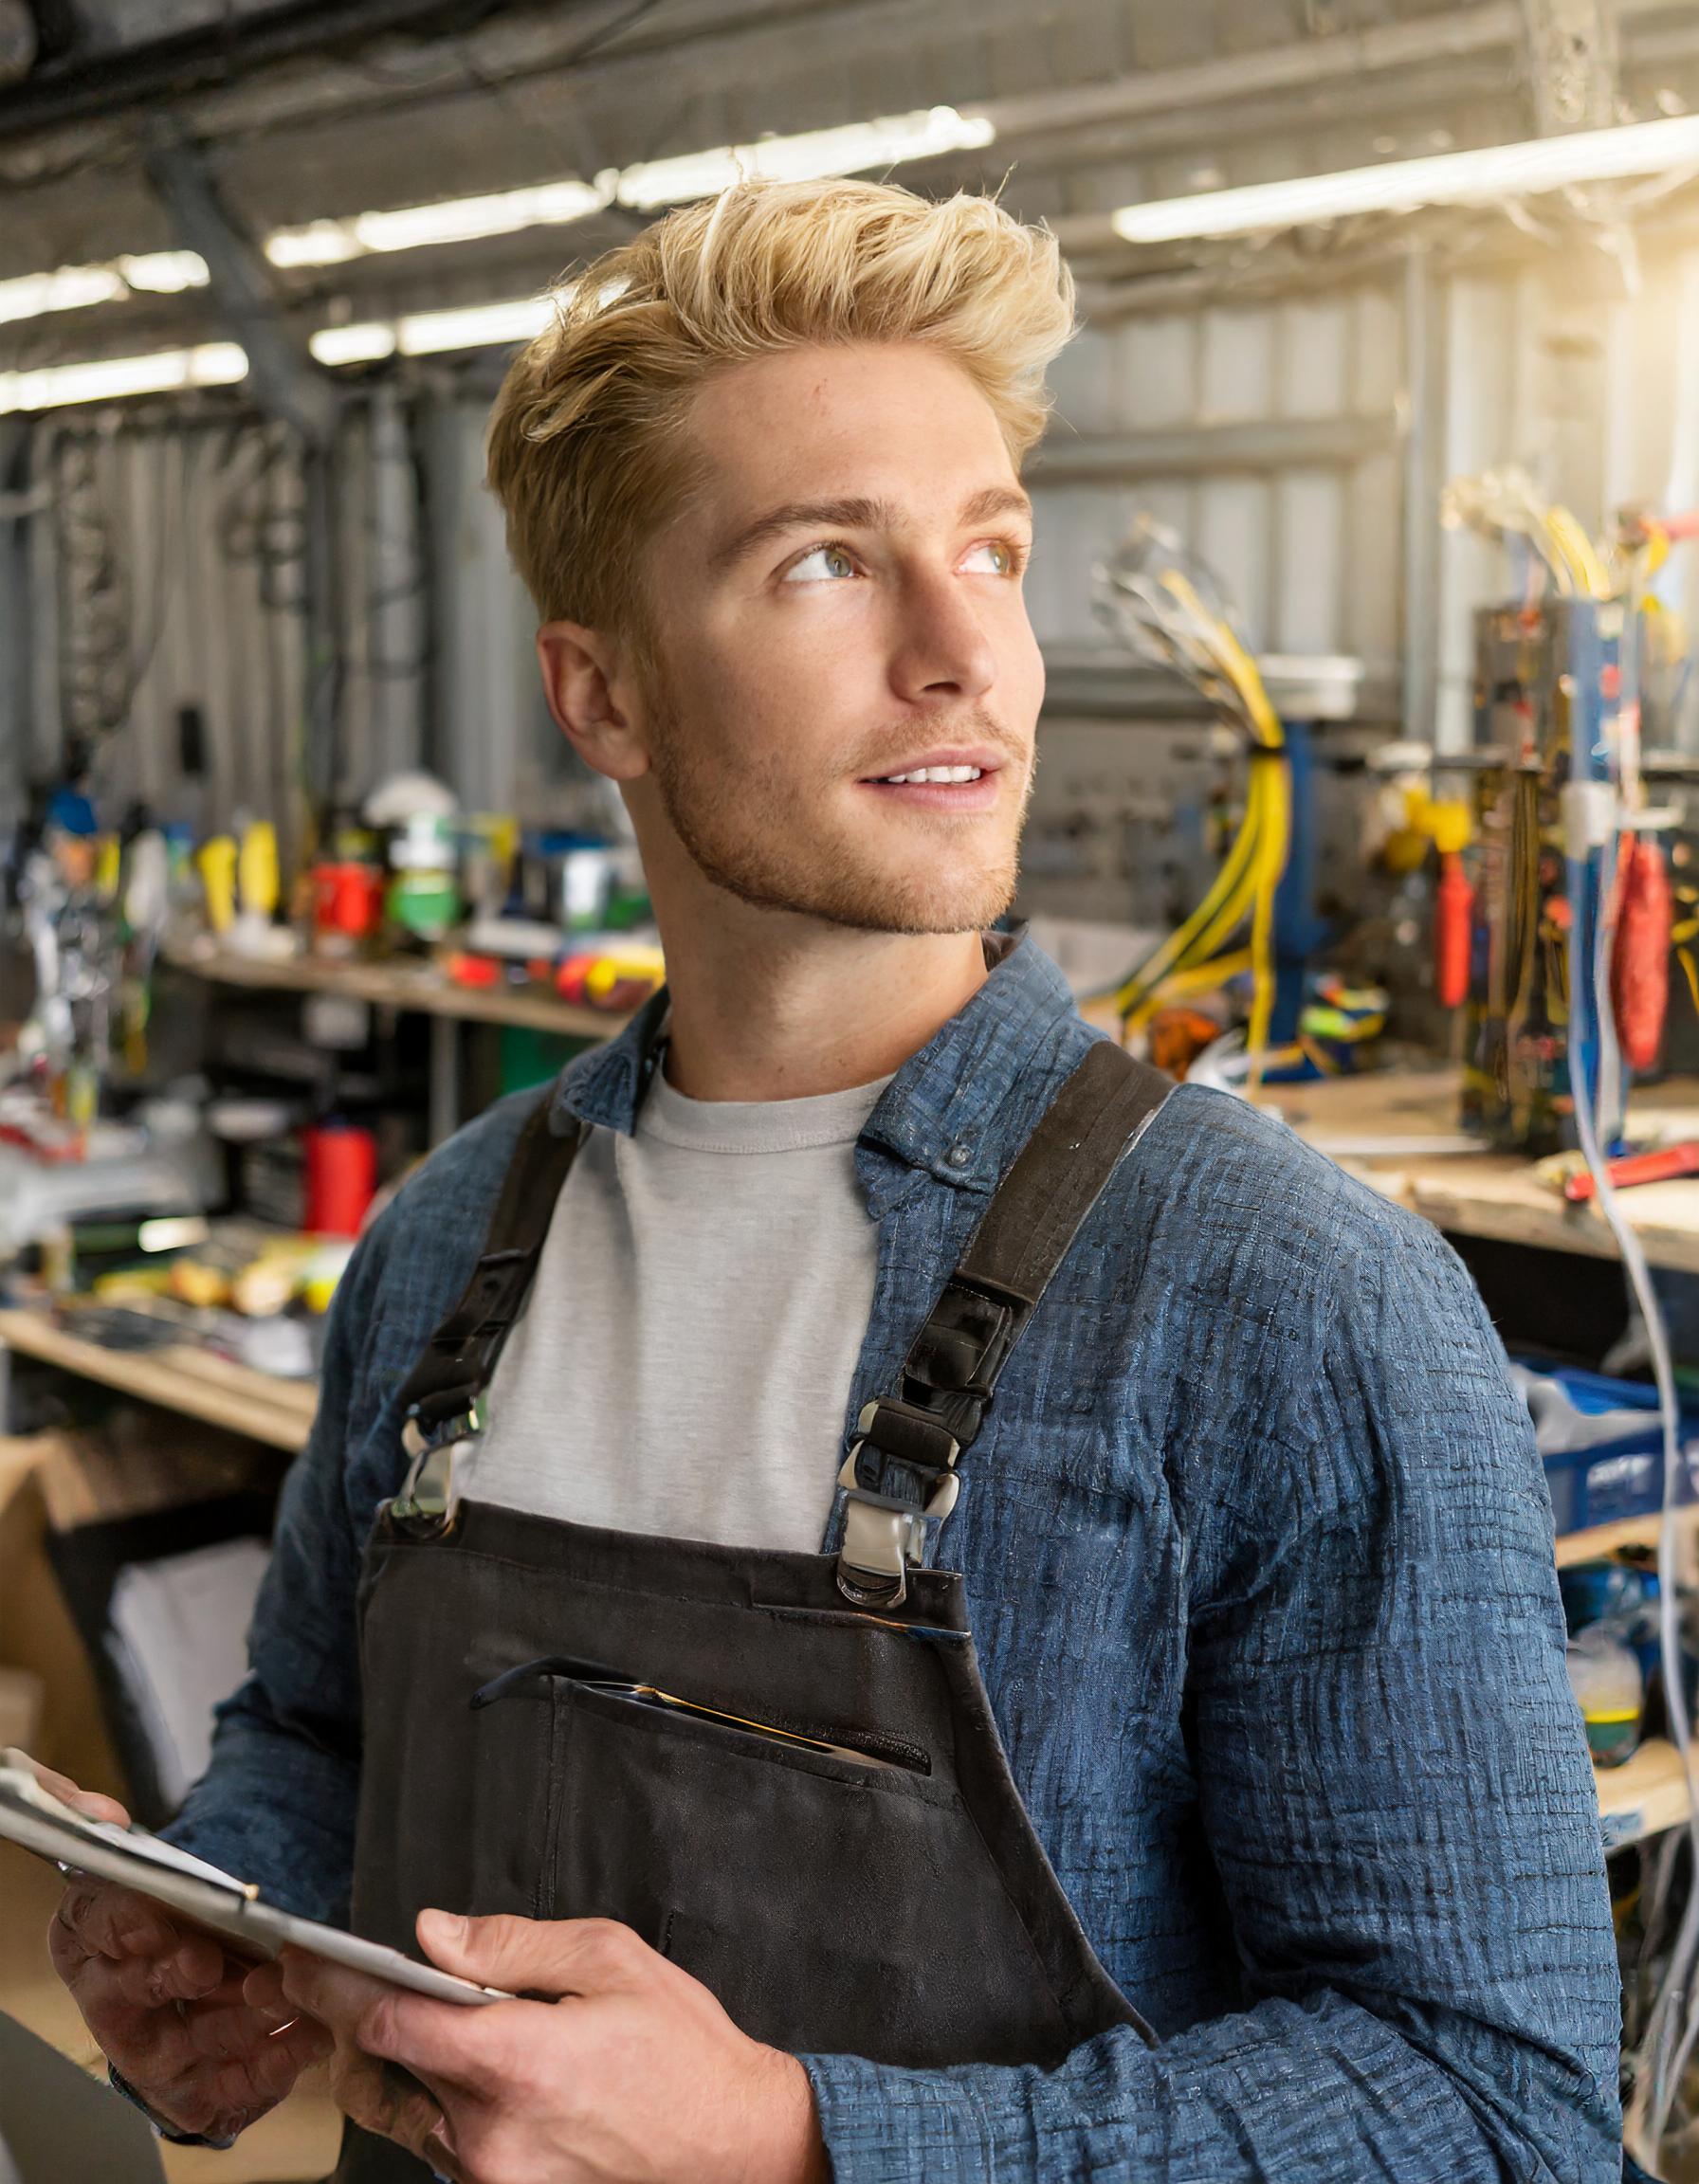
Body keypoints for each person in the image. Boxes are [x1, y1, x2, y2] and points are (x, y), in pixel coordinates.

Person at [47, 176, 1620, 2183]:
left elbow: (1498, 2115)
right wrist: (222, 1905)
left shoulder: (1286, 1305)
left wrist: (804, 2142)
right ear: (599, 692)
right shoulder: (446, 1244)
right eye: (824, 564)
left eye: (990, 552)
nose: (966, 653)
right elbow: (318, 1735)